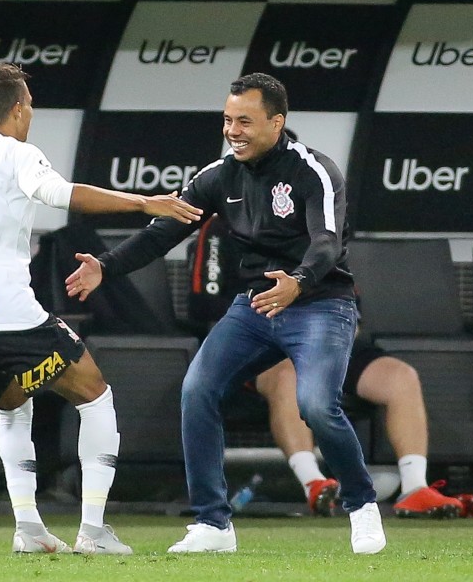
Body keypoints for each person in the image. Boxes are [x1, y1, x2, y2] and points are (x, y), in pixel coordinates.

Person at [65, 73, 387, 555]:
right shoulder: (219, 175)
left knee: (317, 405)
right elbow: (161, 232)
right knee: (198, 390)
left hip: (319, 302)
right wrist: (106, 268)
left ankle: (361, 506)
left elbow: (328, 242)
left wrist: (297, 282)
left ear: (277, 123)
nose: (232, 130)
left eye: (244, 121)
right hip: (256, 306)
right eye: (227, 120)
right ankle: (213, 524)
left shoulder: (314, 170)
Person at [0, 62, 202, 555]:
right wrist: (145, 204)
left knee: (13, 410)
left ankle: (29, 530)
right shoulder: (18, 154)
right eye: (29, 105)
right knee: (95, 395)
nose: (30, 113)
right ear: (17, 108)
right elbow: (59, 194)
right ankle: (93, 530)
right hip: (8, 314)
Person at [254, 343, 465, 518]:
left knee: (402, 376)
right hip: (274, 348)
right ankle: (313, 483)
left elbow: (352, 318)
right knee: (288, 375)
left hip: (331, 343)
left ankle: (415, 487)